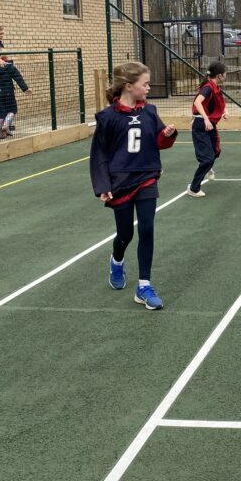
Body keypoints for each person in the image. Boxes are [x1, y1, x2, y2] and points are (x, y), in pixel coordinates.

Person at [90, 61, 178, 310]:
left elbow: (158, 141)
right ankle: (117, 260)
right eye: (145, 84)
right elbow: (99, 155)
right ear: (129, 86)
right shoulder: (108, 118)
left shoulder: (149, 112)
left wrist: (167, 134)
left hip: (147, 176)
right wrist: (102, 184)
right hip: (120, 181)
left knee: (147, 229)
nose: (149, 88)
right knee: (126, 233)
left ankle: (144, 286)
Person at [186, 61, 228, 198]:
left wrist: (224, 111)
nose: (226, 76)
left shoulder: (215, 87)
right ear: (220, 75)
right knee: (207, 159)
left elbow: (218, 102)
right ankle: (193, 188)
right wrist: (205, 118)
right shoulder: (208, 88)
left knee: (215, 151)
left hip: (210, 125)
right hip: (201, 125)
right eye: (225, 73)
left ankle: (208, 168)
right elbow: (198, 102)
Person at [0, 56, 30, 138]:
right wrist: (25, 89)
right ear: (4, 58)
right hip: (8, 92)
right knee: (12, 109)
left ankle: (1, 134)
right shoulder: (9, 66)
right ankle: (6, 124)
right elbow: (18, 77)